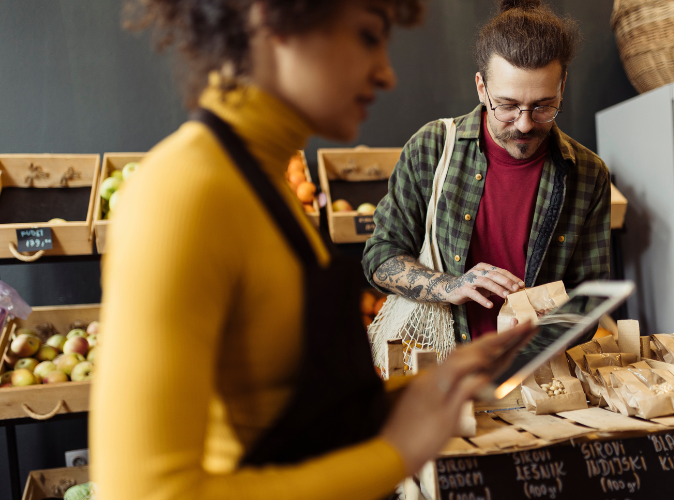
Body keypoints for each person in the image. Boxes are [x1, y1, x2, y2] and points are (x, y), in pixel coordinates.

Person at [90, 2, 536, 499]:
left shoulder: (264, 184)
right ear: (274, 17)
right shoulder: (183, 193)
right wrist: (397, 452)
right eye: (368, 36)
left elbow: (287, 412)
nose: (387, 73)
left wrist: (430, 389)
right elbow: (148, 493)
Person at [363, 0, 612, 344]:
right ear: (482, 88)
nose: (524, 124)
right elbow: (379, 256)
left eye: (543, 106)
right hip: (444, 364)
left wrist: (553, 322)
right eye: (507, 106)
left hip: (537, 368)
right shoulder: (431, 148)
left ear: (562, 87)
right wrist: (449, 286)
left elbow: (592, 297)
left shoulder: (588, 173)